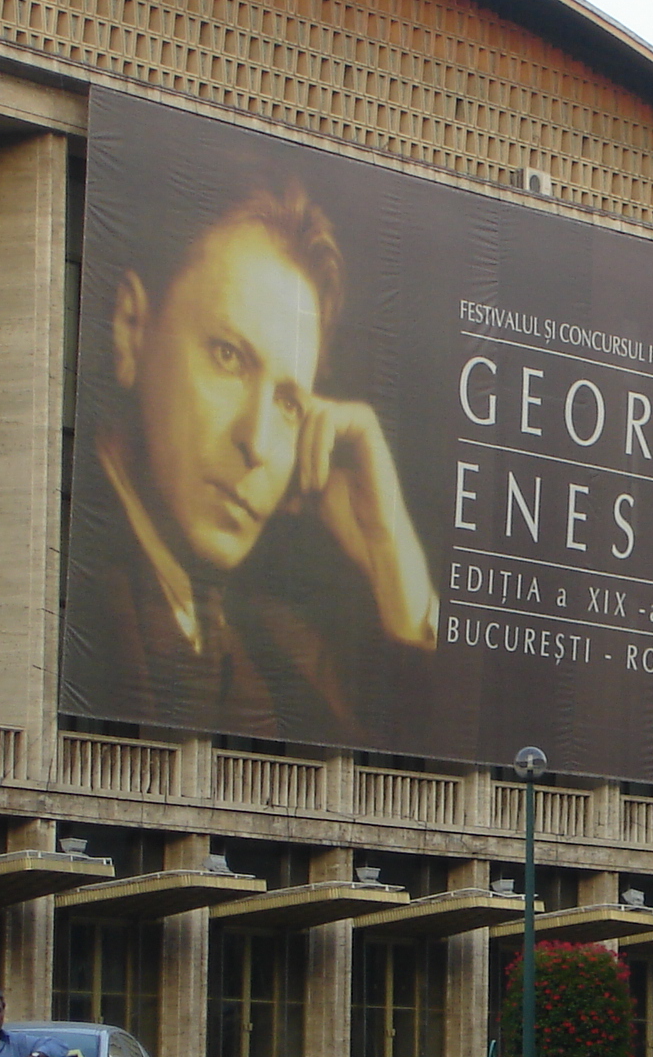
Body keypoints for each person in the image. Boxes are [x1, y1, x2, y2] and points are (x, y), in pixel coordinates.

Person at [71, 181, 437, 737]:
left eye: (289, 403)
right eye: (228, 357)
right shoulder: (69, 585)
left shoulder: (281, 651)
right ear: (131, 328)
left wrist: (390, 551)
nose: (259, 443)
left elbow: (424, 775)